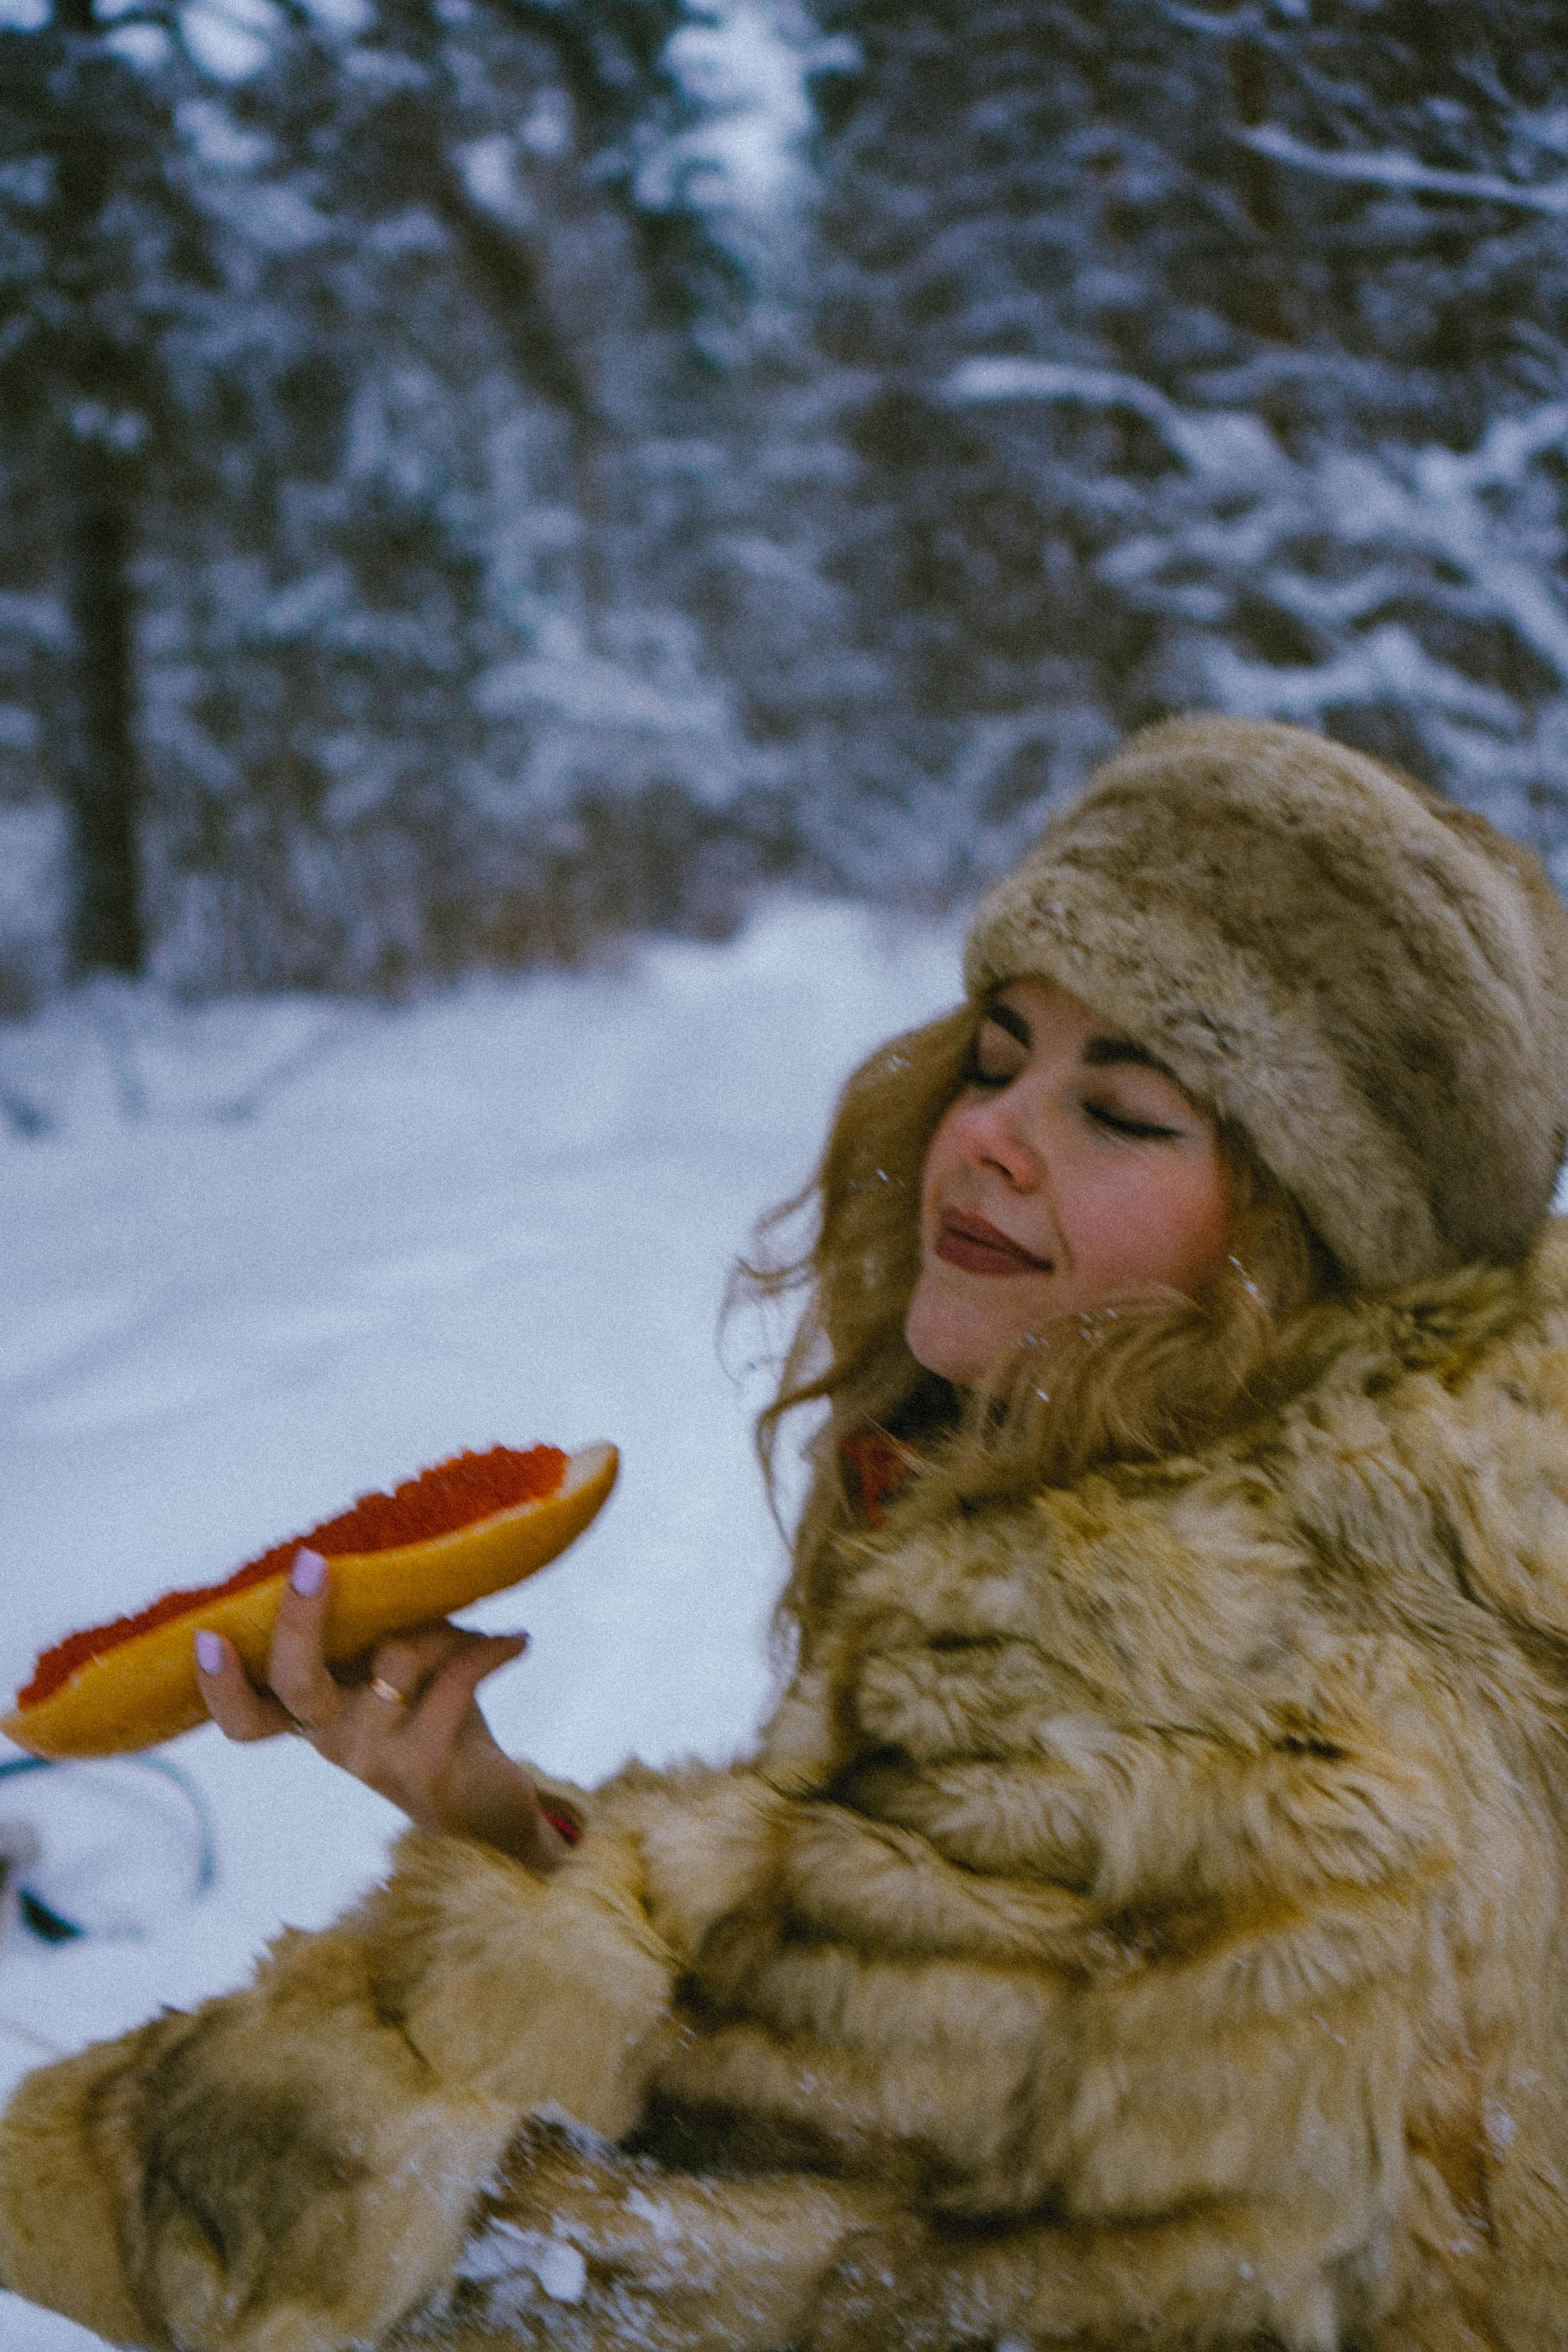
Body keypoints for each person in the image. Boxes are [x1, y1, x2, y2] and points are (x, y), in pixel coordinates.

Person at [7, 714, 1568, 2352]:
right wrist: (494, 1823)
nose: (992, 1135)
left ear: (1300, 1249)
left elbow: (689, 2286)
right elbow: (877, 2057)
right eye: (999, 1053)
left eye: (1121, 1113)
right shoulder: (1389, 1538)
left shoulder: (1197, 1708)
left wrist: (147, 2161)